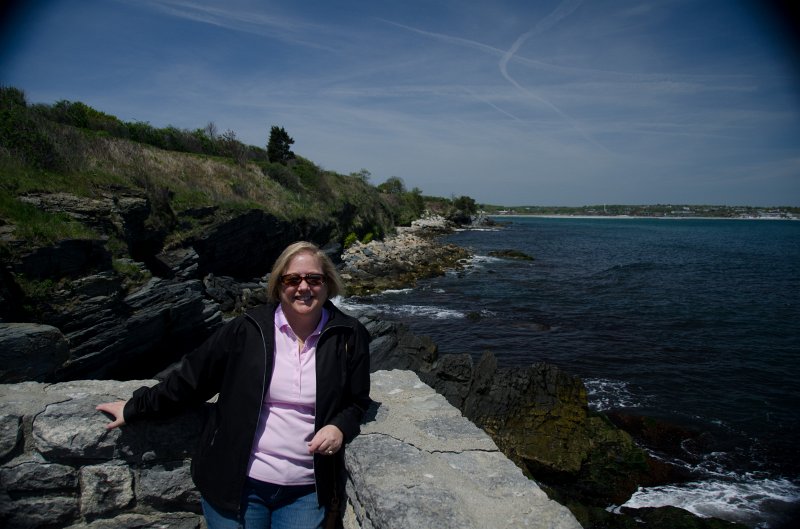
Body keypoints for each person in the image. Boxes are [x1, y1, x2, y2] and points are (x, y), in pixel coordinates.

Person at [96, 241, 371, 529]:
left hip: (305, 489)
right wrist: (135, 407)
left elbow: (357, 402)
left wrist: (339, 426)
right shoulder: (247, 330)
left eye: (314, 279)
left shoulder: (349, 336)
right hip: (238, 484)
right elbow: (191, 379)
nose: (304, 287)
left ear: (327, 284)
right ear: (279, 285)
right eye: (293, 279)